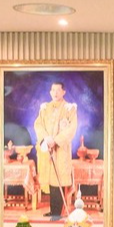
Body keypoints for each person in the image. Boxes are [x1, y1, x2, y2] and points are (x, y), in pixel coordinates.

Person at [34, 81, 76, 219]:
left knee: (58, 180)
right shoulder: (45, 108)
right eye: (53, 90)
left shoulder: (69, 108)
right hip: (48, 148)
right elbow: (38, 125)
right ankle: (54, 211)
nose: (55, 93)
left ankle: (58, 213)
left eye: (58, 90)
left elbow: (71, 129)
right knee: (51, 180)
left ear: (63, 92)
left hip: (60, 150)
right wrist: (46, 138)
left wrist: (56, 140)